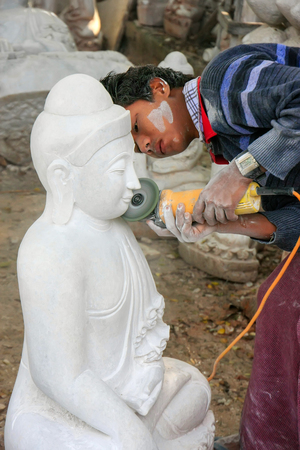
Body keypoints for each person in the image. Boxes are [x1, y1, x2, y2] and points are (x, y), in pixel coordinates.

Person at [101, 43, 300, 450]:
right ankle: (267, 438)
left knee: (286, 310)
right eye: (136, 144)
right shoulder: (224, 143)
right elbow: (296, 224)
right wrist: (224, 224)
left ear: (158, 89)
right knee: (279, 300)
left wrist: (243, 172)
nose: (144, 146)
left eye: (137, 126)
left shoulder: (220, 82)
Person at [5, 73, 215, 450]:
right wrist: (128, 431)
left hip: (128, 389)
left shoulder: (113, 226)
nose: (135, 184)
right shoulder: (48, 250)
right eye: (120, 171)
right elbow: (60, 377)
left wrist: (183, 221)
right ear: (63, 177)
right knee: (125, 445)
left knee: (195, 387)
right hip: (57, 410)